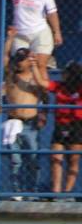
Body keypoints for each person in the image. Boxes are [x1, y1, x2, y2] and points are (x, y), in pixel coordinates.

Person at [4, 0, 63, 85]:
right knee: (20, 66)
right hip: (20, 34)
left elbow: (52, 13)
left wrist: (57, 32)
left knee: (40, 65)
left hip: (39, 32)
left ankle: (43, 94)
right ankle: (22, 94)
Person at [4, 46, 47, 197]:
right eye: (18, 60)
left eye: (22, 60)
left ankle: (32, 191)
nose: (19, 63)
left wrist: (43, 115)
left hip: (30, 123)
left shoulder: (36, 78)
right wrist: (9, 40)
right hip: (13, 121)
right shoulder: (10, 76)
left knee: (33, 159)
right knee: (15, 160)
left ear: (29, 61)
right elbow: (5, 61)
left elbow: (44, 94)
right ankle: (17, 191)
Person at [48, 62, 82, 196]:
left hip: (77, 125)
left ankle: (67, 193)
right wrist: (35, 66)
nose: (63, 75)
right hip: (61, 124)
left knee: (73, 159)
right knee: (56, 157)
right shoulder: (59, 86)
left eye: (66, 73)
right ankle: (56, 192)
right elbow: (42, 83)